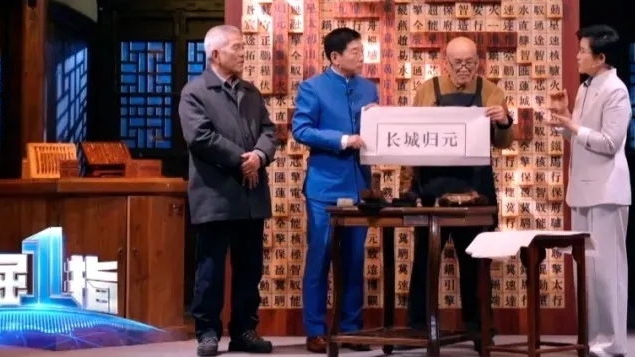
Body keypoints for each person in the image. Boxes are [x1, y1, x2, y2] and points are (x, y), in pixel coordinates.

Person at [400, 36, 513, 349]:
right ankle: (418, 328)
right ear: (445, 63)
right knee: (425, 262)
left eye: (470, 62)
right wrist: (407, 186)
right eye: (457, 62)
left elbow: (503, 143)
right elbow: (411, 138)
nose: (464, 68)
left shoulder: (491, 91)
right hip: (431, 191)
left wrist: (504, 122)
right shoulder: (427, 90)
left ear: (478, 62)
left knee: (476, 264)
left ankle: (479, 330)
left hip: (475, 192)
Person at [179, 25, 278, 357]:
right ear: (215, 53)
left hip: (251, 195)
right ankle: (207, 332)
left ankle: (244, 331)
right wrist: (242, 160)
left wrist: (259, 155)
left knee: (250, 268)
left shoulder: (250, 92)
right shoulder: (195, 92)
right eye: (236, 47)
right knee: (210, 268)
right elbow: (200, 137)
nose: (243, 53)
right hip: (215, 194)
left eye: (243, 47)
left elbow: (269, 131)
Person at [291, 27, 379, 353]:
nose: (361, 57)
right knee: (320, 258)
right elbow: (301, 129)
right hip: (324, 188)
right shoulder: (312, 87)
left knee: (354, 260)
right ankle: (315, 330)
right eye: (355, 51)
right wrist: (341, 140)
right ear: (335, 57)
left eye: (362, 50)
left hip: (359, 186)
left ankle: (351, 329)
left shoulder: (369, 88)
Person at [546, 25, 631, 357]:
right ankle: (591, 338)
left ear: (601, 57)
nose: (578, 56)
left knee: (607, 270)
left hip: (607, 191)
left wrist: (573, 126)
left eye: (583, 51)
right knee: (586, 271)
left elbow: (610, 143)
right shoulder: (585, 87)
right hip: (582, 190)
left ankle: (612, 343)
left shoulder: (616, 91)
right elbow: (580, 137)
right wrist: (563, 119)